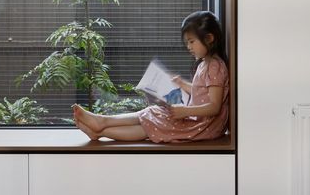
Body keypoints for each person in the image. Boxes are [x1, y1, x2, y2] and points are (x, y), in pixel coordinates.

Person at [72, 10, 229, 144]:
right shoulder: (206, 63)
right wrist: (182, 84)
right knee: (153, 113)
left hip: (203, 125)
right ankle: (102, 122)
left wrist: (185, 112)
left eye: (191, 42)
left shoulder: (215, 66)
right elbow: (201, 92)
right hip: (198, 120)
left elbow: (214, 107)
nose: (188, 47)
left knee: (151, 125)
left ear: (209, 38)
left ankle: (100, 130)